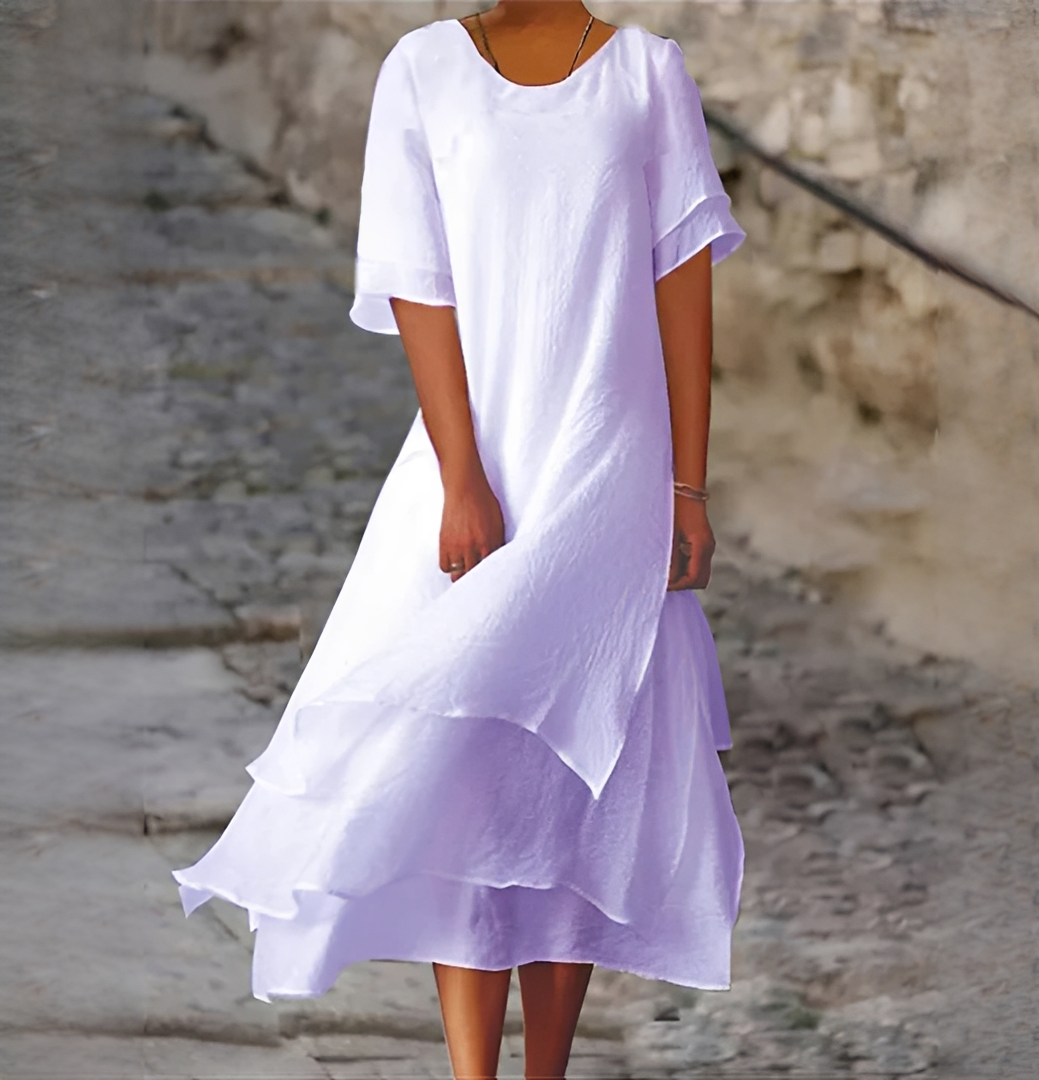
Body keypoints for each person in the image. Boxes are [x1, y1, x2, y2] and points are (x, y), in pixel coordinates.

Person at [172, 3, 747, 1078]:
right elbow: (417, 279)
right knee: (459, 773)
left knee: (583, 784)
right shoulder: (423, 69)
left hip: (608, 474)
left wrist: (687, 486)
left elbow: (682, 282)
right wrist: (461, 477)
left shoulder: (647, 75)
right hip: (473, 472)